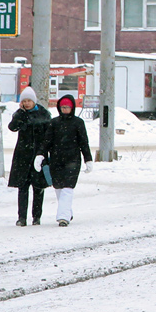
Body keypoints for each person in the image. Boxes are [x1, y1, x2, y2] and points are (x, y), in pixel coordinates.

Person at [37, 94, 92, 227]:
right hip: (56, 160)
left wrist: (88, 159)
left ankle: (63, 217)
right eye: (62, 107)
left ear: (72, 107)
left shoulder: (78, 123)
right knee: (59, 188)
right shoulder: (54, 123)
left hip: (73, 160)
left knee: (68, 187)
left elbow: (84, 142)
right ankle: (67, 212)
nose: (65, 109)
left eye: (67, 107)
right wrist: (40, 155)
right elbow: (47, 142)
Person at [8, 86, 50, 226]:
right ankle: (22, 218)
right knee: (23, 187)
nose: (27, 103)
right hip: (23, 156)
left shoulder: (43, 114)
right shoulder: (21, 114)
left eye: (29, 101)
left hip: (38, 155)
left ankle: (36, 217)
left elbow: (48, 135)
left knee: (38, 188)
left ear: (34, 101)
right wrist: (20, 113)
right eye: (24, 101)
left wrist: (44, 152)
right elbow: (12, 127)